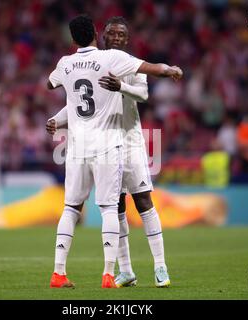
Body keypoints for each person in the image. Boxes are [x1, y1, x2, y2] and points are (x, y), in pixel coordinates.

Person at [47, 14, 182, 288]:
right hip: (108, 144)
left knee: (143, 201)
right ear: (102, 36)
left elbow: (143, 95)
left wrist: (122, 85)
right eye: (113, 33)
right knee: (115, 207)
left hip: (129, 141)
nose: (117, 37)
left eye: (122, 34)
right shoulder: (104, 61)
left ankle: (160, 267)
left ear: (128, 38)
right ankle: (125, 270)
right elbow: (76, 103)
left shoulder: (127, 64)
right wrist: (58, 120)